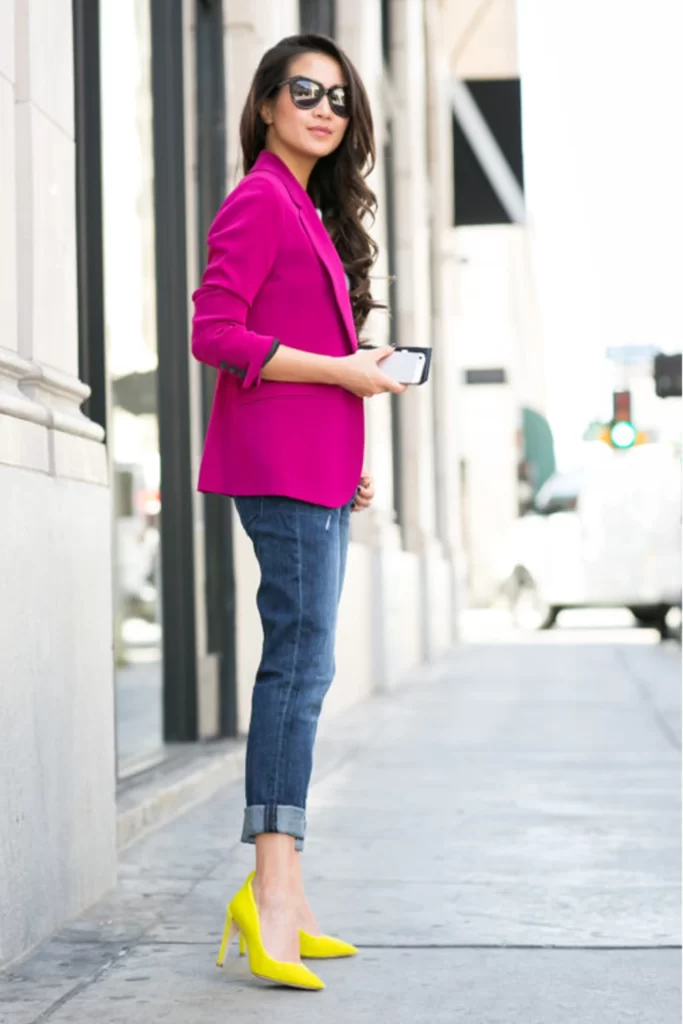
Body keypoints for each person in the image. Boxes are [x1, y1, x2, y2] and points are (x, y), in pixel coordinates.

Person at [191, 33, 405, 991]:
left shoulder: (308, 211)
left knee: (307, 669)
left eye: (339, 97)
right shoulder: (257, 200)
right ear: (267, 103)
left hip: (312, 467)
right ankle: (270, 892)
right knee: (295, 671)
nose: (325, 107)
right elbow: (214, 331)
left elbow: (303, 353)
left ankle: (291, 895)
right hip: (276, 468)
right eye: (304, 90)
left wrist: (343, 432)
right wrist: (344, 375)